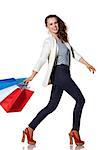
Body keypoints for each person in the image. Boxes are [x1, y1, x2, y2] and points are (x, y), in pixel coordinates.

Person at [21, 15, 96, 146]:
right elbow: (42, 59)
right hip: (60, 74)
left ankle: (30, 129)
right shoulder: (49, 42)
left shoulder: (63, 40)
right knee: (80, 100)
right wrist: (32, 76)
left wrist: (87, 64)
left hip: (64, 75)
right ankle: (75, 131)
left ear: (58, 24)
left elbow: (74, 54)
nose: (54, 26)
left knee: (52, 106)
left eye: (55, 23)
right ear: (47, 27)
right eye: (51, 24)